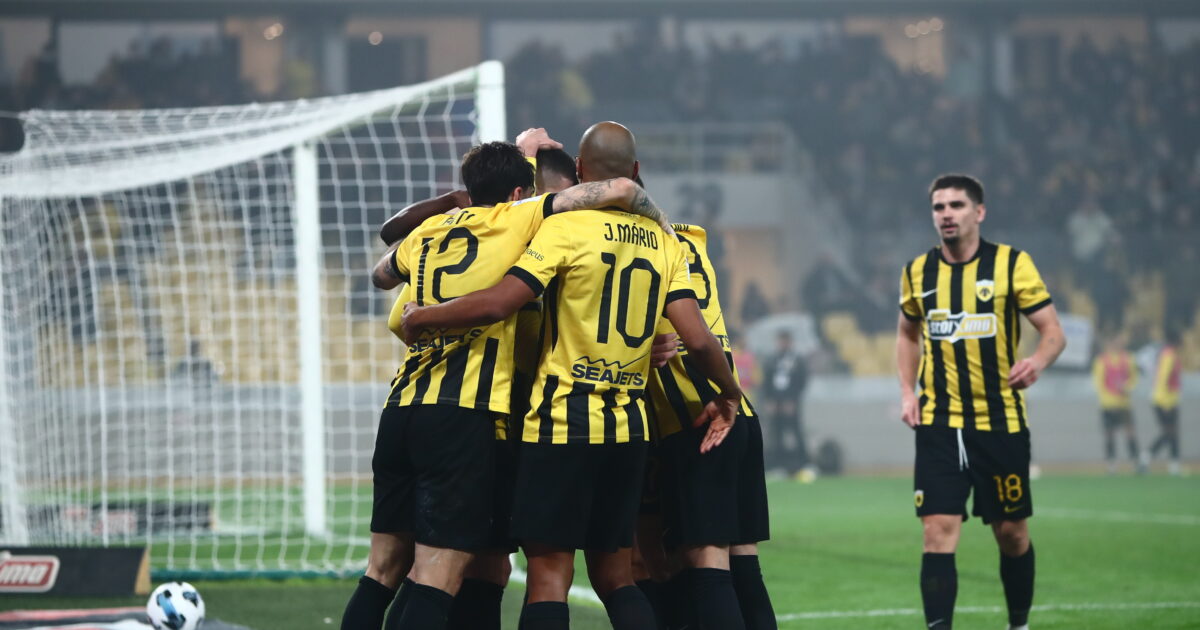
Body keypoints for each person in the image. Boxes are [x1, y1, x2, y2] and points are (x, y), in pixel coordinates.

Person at [400, 121, 742, 630]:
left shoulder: (562, 228)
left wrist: (423, 316)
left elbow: (501, 302)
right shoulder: (665, 242)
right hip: (627, 430)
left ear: (580, 171)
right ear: (636, 170)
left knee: (548, 577)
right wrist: (729, 393)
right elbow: (698, 339)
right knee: (618, 578)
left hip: (560, 422)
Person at [341, 128, 670, 630]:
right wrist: (665, 230)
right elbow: (619, 192)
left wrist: (458, 207)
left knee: (389, 569)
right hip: (479, 420)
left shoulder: (432, 235)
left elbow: (383, 275)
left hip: (406, 408)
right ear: (523, 194)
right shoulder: (523, 221)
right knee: (447, 570)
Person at [896, 174, 1066, 630]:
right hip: (938, 423)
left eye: (956, 205)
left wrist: (1037, 361)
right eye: (938, 207)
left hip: (1000, 422)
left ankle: (1018, 624)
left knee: (1011, 534)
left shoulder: (1012, 264)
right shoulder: (917, 272)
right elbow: (907, 334)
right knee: (936, 531)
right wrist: (907, 391)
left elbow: (1053, 331)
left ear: (979, 212)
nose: (946, 214)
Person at [642, 222, 776, 630]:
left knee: (705, 561)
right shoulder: (689, 240)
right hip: (740, 417)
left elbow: (695, 341)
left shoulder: (630, 247)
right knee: (743, 561)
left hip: (696, 419)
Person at [1091, 332, 1145, 475]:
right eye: (1114, 341)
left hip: (1124, 404)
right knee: (1109, 435)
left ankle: (1135, 462)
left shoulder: (1129, 358)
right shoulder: (1101, 361)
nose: (1117, 343)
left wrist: (1128, 387)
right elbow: (1099, 383)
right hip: (1108, 405)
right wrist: (1109, 398)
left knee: (1130, 433)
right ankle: (1111, 464)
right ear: (1108, 342)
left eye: (1119, 340)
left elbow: (1134, 378)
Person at [761, 330, 811, 479]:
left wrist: (793, 400)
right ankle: (778, 465)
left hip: (791, 403)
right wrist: (769, 400)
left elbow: (801, 381)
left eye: (785, 341)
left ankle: (804, 464)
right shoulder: (772, 359)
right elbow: (767, 380)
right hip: (776, 402)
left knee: (795, 432)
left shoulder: (797, 359)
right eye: (781, 341)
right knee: (776, 433)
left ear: (790, 342)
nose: (783, 344)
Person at [1149, 329, 1183, 475]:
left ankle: (1174, 464)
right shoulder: (1168, 355)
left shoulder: (1168, 354)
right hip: (1165, 401)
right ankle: (1146, 456)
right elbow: (1163, 379)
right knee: (1169, 432)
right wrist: (1165, 403)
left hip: (1169, 400)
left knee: (1172, 433)